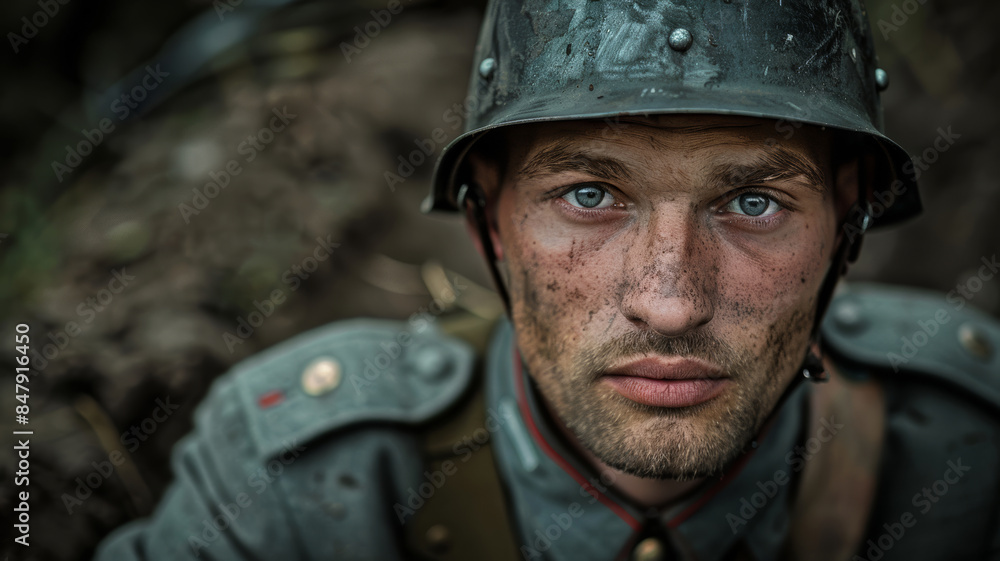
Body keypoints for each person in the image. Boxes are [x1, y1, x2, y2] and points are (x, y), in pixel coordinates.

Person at [96, 0, 1000, 559]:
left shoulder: (974, 448)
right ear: (488, 218)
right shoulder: (294, 475)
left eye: (755, 202)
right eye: (591, 194)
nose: (671, 300)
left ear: (848, 221)